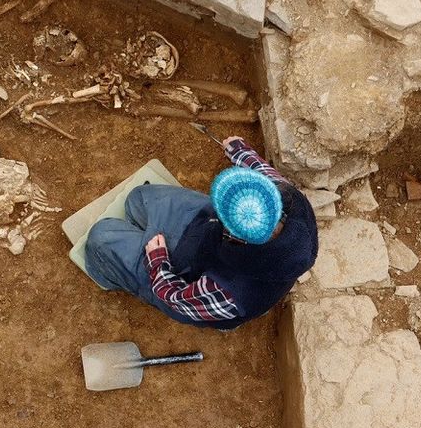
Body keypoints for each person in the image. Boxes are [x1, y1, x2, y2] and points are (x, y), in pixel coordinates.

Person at [84, 135, 318, 330]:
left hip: (189, 276)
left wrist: (157, 262)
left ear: (231, 229)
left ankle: (109, 273)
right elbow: (266, 175)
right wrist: (240, 151)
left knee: (100, 237)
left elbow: (175, 298)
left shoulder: (229, 292)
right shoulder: (289, 200)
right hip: (203, 231)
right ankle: (137, 238)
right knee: (137, 199)